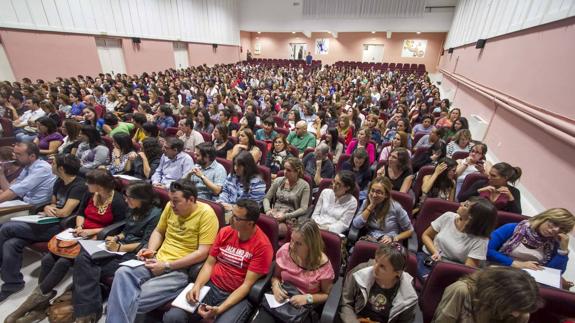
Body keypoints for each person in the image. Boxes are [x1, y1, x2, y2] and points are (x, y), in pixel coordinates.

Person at [7, 170, 127, 321]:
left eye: (89, 182)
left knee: (63, 262)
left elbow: (118, 226)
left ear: (99, 186)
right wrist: (79, 227)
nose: (86, 184)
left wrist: (90, 231)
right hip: (80, 234)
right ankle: (38, 307)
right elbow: (81, 213)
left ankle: (31, 306)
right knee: (47, 260)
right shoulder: (90, 194)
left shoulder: (117, 201)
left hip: (98, 238)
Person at [105, 179, 219, 322]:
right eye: (170, 200)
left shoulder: (206, 214)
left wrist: (167, 265)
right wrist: (150, 251)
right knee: (122, 272)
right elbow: (158, 231)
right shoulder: (170, 207)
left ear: (191, 199)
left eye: (176, 201)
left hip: (179, 269)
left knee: (132, 300)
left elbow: (202, 252)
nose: (172, 205)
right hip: (157, 260)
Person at [162, 199, 273, 322]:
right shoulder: (225, 232)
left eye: (236, 218)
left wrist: (219, 309)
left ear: (250, 223)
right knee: (173, 317)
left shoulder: (263, 246)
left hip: (236, 296)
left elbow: (247, 285)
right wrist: (197, 286)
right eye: (232, 213)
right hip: (211, 286)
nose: (230, 219)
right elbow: (209, 264)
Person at [69, 182, 161, 322]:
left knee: (91, 266)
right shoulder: (132, 208)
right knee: (83, 257)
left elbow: (146, 244)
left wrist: (119, 248)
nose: (125, 200)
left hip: (134, 253)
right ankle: (89, 310)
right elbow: (126, 230)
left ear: (141, 198)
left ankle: (87, 312)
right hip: (120, 246)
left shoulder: (155, 214)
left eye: (129, 197)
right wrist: (117, 237)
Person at [0, 154, 84, 303]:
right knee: (10, 243)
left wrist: (53, 210)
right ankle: (13, 283)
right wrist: (46, 207)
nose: (50, 165)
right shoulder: (59, 181)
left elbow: (65, 212)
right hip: (47, 221)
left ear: (61, 168)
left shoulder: (78, 186)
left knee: (6, 228)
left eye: (53, 163)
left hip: (61, 227)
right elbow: (52, 204)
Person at [252, 220, 334, 323]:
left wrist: (307, 298)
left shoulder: (323, 264)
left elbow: (327, 294)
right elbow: (276, 277)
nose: (292, 246)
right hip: (280, 300)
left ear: (311, 245)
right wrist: (276, 287)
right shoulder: (285, 250)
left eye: (299, 243)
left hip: (302, 308)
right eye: (292, 240)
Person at [418, 197, 497, 280]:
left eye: (466, 205)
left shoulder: (481, 240)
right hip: (429, 257)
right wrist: (435, 252)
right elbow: (426, 235)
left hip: (452, 269)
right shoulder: (448, 216)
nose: (461, 203)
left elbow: (467, 270)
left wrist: (443, 265)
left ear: (471, 216)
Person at [340, 243, 418, 323]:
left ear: (397, 272)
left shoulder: (407, 294)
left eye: (382, 266)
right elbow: (346, 303)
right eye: (376, 261)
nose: (375, 267)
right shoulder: (360, 272)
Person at [432, 267, 541, 323]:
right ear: (499, 296)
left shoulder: (522, 313)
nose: (517, 315)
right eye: (515, 308)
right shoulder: (461, 291)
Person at [487, 208, 574, 273]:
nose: (555, 230)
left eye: (562, 229)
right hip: (500, 269)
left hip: (528, 279)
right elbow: (487, 249)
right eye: (554, 223)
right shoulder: (512, 228)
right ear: (544, 218)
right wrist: (515, 263)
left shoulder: (554, 244)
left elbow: (555, 273)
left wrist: (563, 251)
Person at [351, 177, 413, 244]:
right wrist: (371, 206)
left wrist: (394, 238)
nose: (374, 195)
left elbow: (410, 231)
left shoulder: (396, 207)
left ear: (386, 195)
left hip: (388, 242)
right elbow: (356, 224)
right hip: (370, 239)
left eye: (378, 192)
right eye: (372, 190)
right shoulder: (366, 203)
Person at [263, 157, 311, 237]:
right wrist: (267, 210)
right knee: (259, 225)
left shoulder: (304, 186)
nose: (285, 172)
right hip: (273, 214)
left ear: (297, 171)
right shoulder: (278, 180)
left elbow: (303, 209)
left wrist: (285, 216)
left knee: (275, 230)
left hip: (289, 218)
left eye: (289, 170)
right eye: (284, 169)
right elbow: (266, 198)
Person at [0, 142, 56, 206]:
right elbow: (10, 189)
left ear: (32, 156)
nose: (14, 157)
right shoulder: (27, 167)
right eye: (15, 153)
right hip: (25, 203)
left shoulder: (42, 168)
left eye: (18, 154)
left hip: (36, 207)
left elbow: (17, 190)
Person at [217, 151, 266, 218]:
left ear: (247, 167)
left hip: (243, 215)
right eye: (235, 165)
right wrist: (221, 202)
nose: (235, 168)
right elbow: (225, 191)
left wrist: (232, 207)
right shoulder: (232, 176)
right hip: (227, 208)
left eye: (239, 166)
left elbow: (254, 206)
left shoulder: (257, 183)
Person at [312, 170, 358, 234]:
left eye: (338, 184)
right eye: (334, 181)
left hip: (332, 232)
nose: (334, 185)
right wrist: (315, 225)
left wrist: (326, 228)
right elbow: (315, 213)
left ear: (347, 187)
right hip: (316, 227)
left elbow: (343, 224)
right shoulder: (325, 192)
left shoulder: (352, 202)